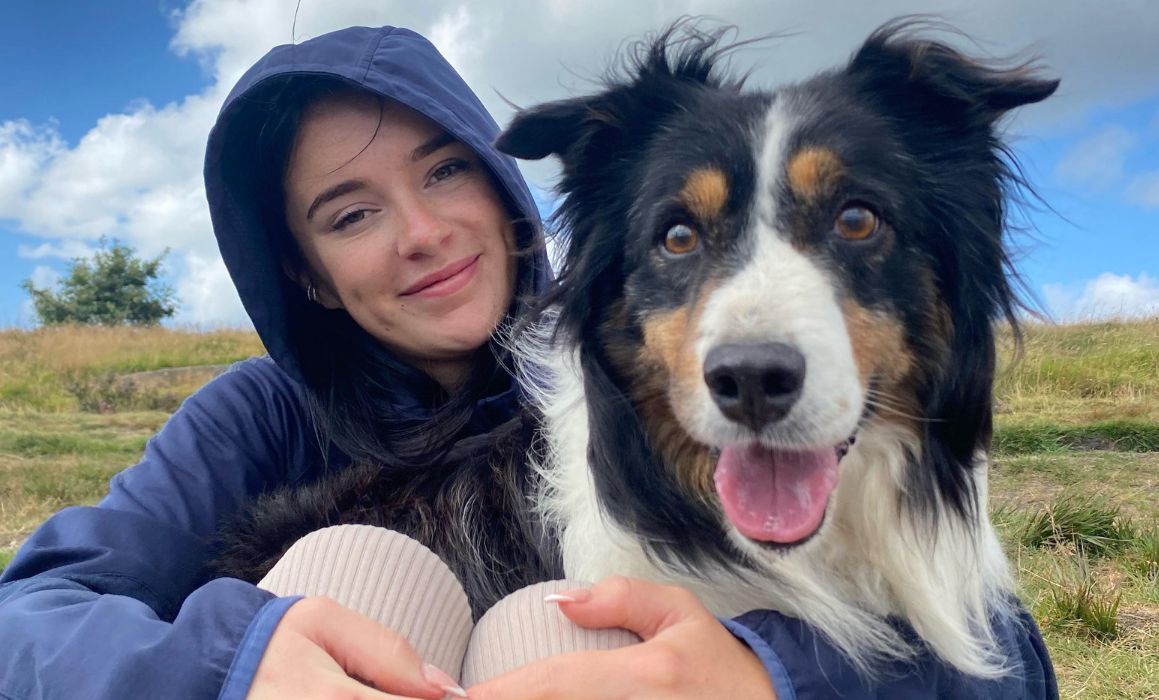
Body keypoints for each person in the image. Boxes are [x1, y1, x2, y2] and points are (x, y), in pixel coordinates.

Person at [0, 24, 1055, 700]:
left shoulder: (593, 382)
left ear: (509, 192)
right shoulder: (257, 415)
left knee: (555, 635)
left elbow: (1002, 658)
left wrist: (771, 673)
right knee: (353, 572)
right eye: (351, 212)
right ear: (309, 273)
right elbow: (28, 614)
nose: (420, 232)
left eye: (446, 169)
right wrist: (231, 664)